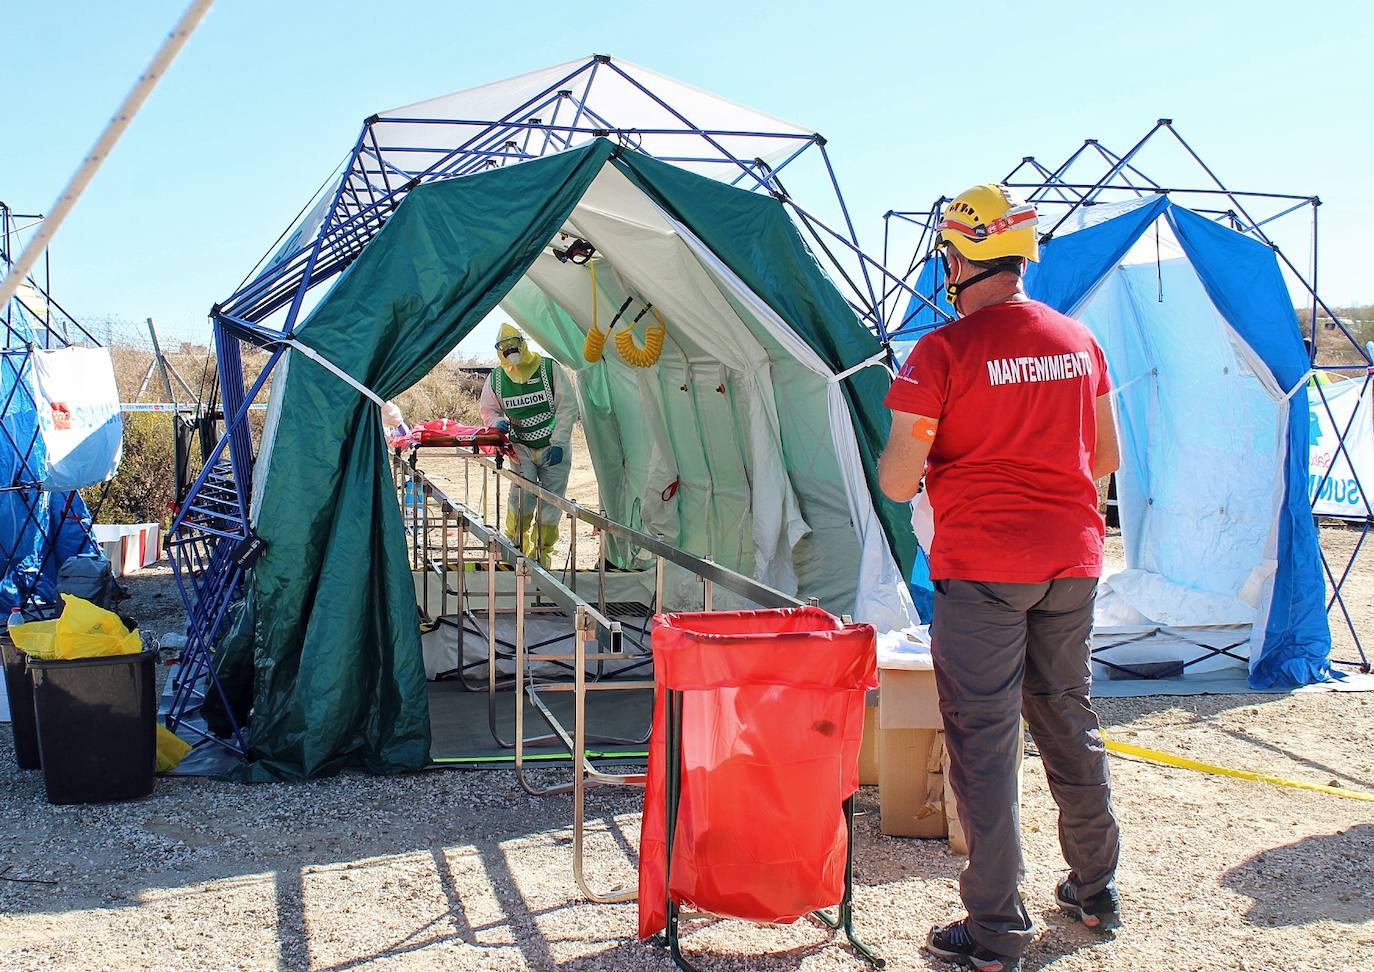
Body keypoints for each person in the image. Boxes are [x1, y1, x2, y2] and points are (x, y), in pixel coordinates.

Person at [878, 185, 1123, 972]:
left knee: (984, 741)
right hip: (1072, 558)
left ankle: (995, 931)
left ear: (956, 257)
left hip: (982, 567)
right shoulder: (1079, 340)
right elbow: (1107, 458)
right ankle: (1095, 887)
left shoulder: (942, 352)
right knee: (1066, 716)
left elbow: (895, 480)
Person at [479, 323, 578, 567]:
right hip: (520, 447)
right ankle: (515, 547)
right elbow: (488, 410)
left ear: (523, 343)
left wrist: (559, 442)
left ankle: (542, 554)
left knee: (552, 501)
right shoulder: (497, 379)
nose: (510, 349)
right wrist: (497, 422)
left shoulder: (548, 369)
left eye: (514, 344)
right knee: (521, 496)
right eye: (505, 347)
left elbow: (567, 406)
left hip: (553, 446)